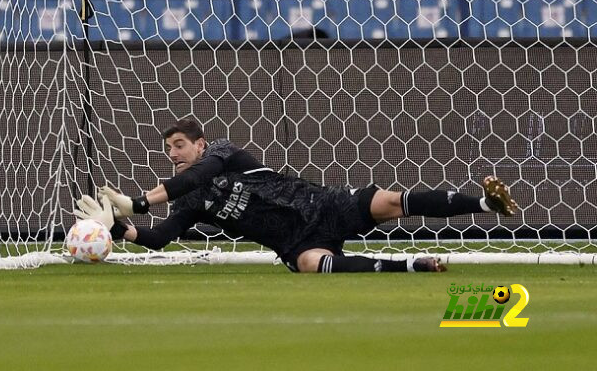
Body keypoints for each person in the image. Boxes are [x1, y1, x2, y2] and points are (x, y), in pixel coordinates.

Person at [74, 119, 518, 273]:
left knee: (388, 200)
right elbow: (159, 239)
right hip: (296, 241)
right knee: (310, 266)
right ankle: (410, 265)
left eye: (179, 147)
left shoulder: (225, 156)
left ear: (200, 145)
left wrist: (141, 200)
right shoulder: (190, 201)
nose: (173, 155)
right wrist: (119, 227)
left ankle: (482, 204)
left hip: (320, 204)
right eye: (168, 149)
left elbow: (196, 177)